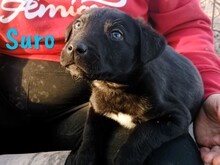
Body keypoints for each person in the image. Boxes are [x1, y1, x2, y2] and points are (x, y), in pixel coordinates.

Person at [0, 0, 219, 164]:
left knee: (172, 159)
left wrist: (210, 92)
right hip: (6, 89)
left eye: (115, 34)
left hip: (96, 99)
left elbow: (184, 27)